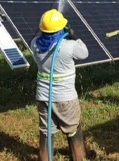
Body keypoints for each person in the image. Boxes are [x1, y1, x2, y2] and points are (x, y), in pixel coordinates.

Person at [31, 9, 94, 161]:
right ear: (61, 29)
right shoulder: (69, 46)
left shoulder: (34, 44)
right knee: (73, 129)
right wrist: (74, 36)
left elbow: (40, 37)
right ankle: (79, 157)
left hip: (44, 98)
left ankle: (44, 158)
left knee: (46, 131)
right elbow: (84, 53)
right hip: (66, 99)